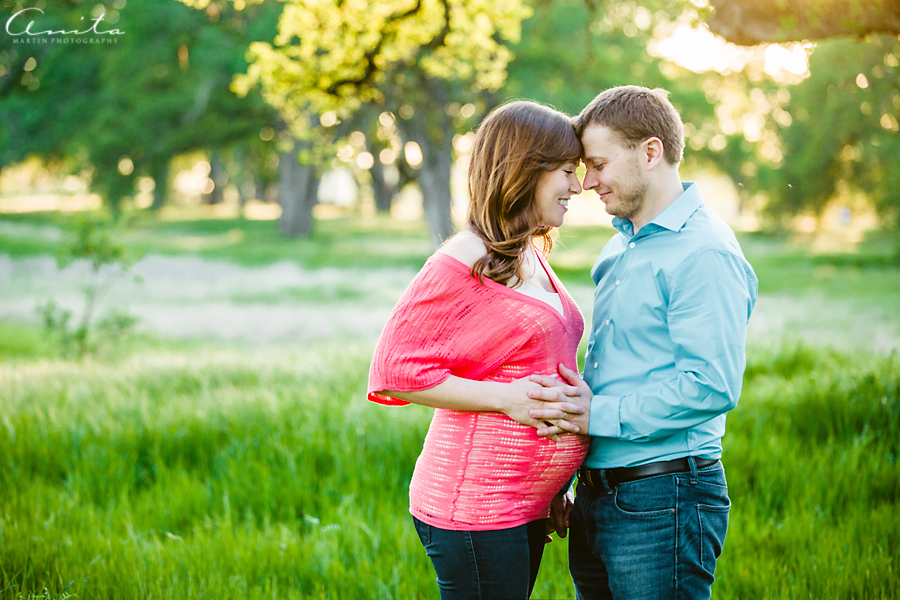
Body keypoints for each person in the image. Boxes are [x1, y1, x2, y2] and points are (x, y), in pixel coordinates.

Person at [526, 86, 758, 600]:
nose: (587, 182)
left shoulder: (703, 252)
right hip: (598, 495)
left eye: (598, 164)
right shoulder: (620, 246)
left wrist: (596, 416)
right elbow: (609, 373)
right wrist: (568, 475)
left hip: (663, 498)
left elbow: (711, 385)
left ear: (650, 152)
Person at [367, 100, 590, 600]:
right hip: (475, 504)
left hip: (522, 503)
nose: (577, 186)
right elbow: (395, 369)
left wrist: (554, 486)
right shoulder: (466, 256)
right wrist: (506, 399)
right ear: (525, 170)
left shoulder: (525, 251)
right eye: (566, 171)